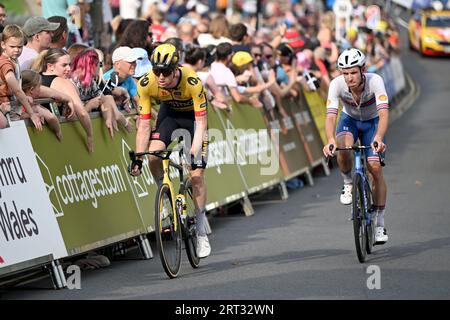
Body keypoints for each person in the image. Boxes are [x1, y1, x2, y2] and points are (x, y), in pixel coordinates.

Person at [129, 43, 211, 258]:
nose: (161, 76)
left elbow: (202, 123)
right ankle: (164, 195)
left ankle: (201, 231)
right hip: (169, 116)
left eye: (165, 72)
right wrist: (138, 157)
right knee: (153, 155)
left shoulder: (192, 81)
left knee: (197, 175)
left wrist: (194, 150)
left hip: (194, 119)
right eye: (157, 71)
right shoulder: (147, 83)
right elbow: (144, 125)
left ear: (176, 69)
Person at [323, 48, 389, 244]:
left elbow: (384, 113)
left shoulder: (375, 81)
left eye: (353, 72)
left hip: (373, 123)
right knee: (342, 148)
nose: (349, 78)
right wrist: (330, 140)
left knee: (375, 167)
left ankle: (379, 223)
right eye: (345, 73)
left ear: (363, 70)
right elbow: (330, 116)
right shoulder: (336, 85)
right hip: (350, 120)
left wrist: (379, 136)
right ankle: (348, 184)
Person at [0, 25, 42, 130]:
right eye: (12, 47)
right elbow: (17, 91)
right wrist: (31, 113)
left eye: (20, 47)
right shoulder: (5, 64)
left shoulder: (13, 60)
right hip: (6, 108)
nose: (17, 50)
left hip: (13, 106)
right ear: (3, 45)